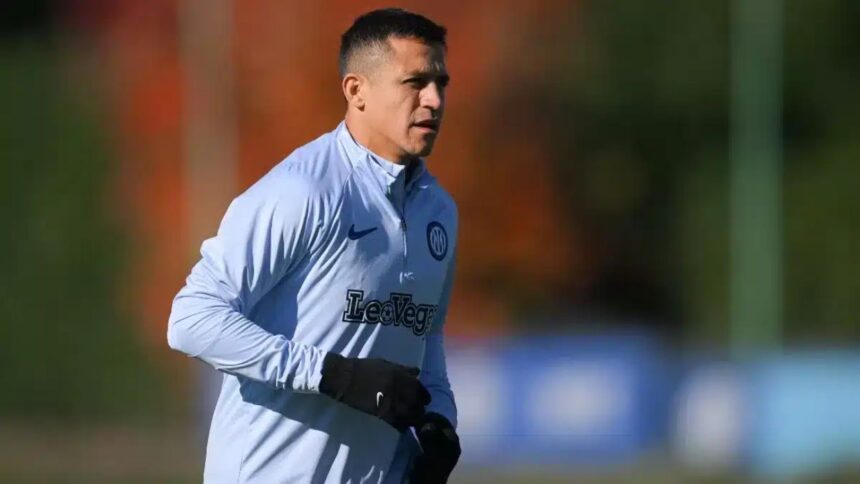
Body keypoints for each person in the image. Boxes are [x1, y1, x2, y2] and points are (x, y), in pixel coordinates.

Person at [167, 8, 461, 484]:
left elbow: (425, 335)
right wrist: (334, 374)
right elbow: (192, 319)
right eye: (414, 82)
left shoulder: (439, 211)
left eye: (440, 83)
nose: (433, 99)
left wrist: (439, 419)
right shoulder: (302, 191)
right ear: (356, 90)